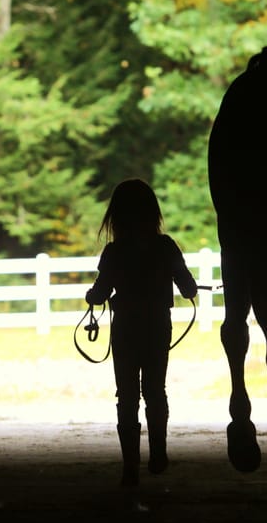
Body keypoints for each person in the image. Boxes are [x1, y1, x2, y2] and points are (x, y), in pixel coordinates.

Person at [85, 178, 198, 487]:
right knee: (155, 390)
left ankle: (130, 467)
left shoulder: (114, 251)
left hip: (125, 328)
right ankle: (158, 453)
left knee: (127, 396)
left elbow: (100, 292)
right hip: (158, 325)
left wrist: (91, 298)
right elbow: (188, 287)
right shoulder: (166, 246)